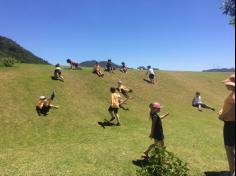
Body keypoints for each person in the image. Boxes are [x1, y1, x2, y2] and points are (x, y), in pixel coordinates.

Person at [218, 74, 235, 176]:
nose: (225, 85)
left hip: (231, 125)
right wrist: (222, 111)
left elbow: (234, 108)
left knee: (229, 149)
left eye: (227, 83)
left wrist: (223, 115)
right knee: (231, 148)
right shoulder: (233, 93)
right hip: (231, 124)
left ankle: (232, 173)